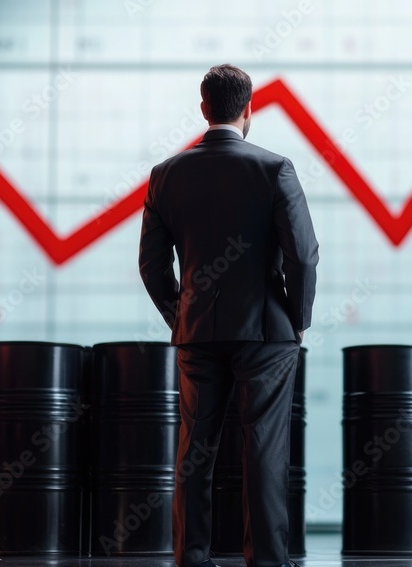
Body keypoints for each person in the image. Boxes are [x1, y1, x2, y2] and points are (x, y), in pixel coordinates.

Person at [139, 63, 318, 567]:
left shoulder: (166, 174)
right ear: (249, 109)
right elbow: (303, 255)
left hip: (197, 334)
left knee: (194, 449)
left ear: (203, 109)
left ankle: (190, 557)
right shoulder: (273, 168)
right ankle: (264, 560)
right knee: (263, 447)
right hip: (266, 331)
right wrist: (297, 317)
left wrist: (183, 314)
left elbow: (152, 266)